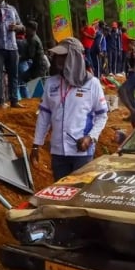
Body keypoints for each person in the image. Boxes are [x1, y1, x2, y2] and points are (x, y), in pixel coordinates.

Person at [30, 37, 108, 182]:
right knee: (60, 193)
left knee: (79, 193)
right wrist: (36, 144)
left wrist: (90, 138)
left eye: (63, 55)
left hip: (82, 153)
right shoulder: (51, 83)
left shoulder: (92, 84)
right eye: (57, 55)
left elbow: (102, 115)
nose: (58, 59)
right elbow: (44, 116)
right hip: (58, 152)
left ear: (75, 57)